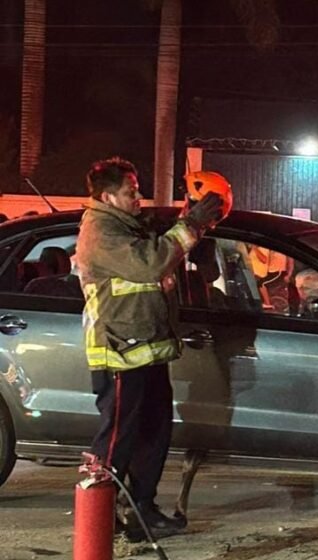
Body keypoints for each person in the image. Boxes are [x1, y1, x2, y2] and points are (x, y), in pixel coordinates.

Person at [75, 157, 224, 537]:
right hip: (119, 352)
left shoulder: (128, 225)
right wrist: (191, 224)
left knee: (154, 433)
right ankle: (98, 516)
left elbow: (162, 250)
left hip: (145, 348)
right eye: (130, 192)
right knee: (116, 439)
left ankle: (141, 509)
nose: (138, 197)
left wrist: (188, 221)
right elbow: (151, 264)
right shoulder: (102, 231)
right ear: (108, 196)